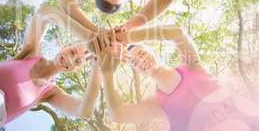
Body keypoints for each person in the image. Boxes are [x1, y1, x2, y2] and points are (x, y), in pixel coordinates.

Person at [95, 26, 259, 131]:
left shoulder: (192, 67)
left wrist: (128, 38)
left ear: (154, 53)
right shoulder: (158, 105)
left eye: (141, 53)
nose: (140, 59)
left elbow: (177, 33)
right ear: (137, 72)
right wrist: (107, 73)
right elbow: (119, 115)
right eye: (134, 62)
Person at [0, 5, 101, 131]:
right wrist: (88, 35)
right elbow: (44, 12)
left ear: (73, 68)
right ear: (64, 47)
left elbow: (84, 111)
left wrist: (99, 65)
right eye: (72, 52)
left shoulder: (50, 93)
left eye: (77, 61)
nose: (70, 59)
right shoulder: (31, 53)